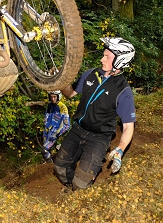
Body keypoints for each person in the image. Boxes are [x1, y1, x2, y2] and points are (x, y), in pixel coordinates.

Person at [54, 37, 136, 191]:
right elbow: (70, 93)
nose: (102, 59)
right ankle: (69, 186)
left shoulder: (124, 91)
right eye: (103, 55)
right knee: (59, 168)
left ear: (120, 61)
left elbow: (128, 127)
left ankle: (76, 189)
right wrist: (59, 82)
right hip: (77, 129)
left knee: (82, 184)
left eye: (107, 57)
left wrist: (120, 149)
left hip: (99, 138)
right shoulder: (91, 74)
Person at [42, 91, 70, 163]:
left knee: (44, 150)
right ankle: (48, 164)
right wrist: (45, 124)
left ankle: (50, 164)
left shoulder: (62, 107)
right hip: (47, 131)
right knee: (46, 152)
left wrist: (58, 133)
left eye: (54, 97)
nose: (52, 99)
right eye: (51, 97)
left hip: (55, 133)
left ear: (58, 96)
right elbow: (46, 116)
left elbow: (67, 125)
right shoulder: (49, 105)